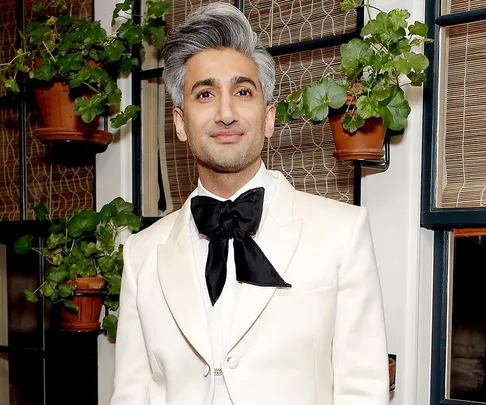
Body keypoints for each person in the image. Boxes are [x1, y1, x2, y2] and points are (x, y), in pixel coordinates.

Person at [110, 3, 389, 405]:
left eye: (242, 92)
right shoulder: (141, 255)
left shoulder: (342, 232)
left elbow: (364, 391)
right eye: (205, 93)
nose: (225, 113)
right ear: (180, 123)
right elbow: (133, 394)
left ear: (269, 117)